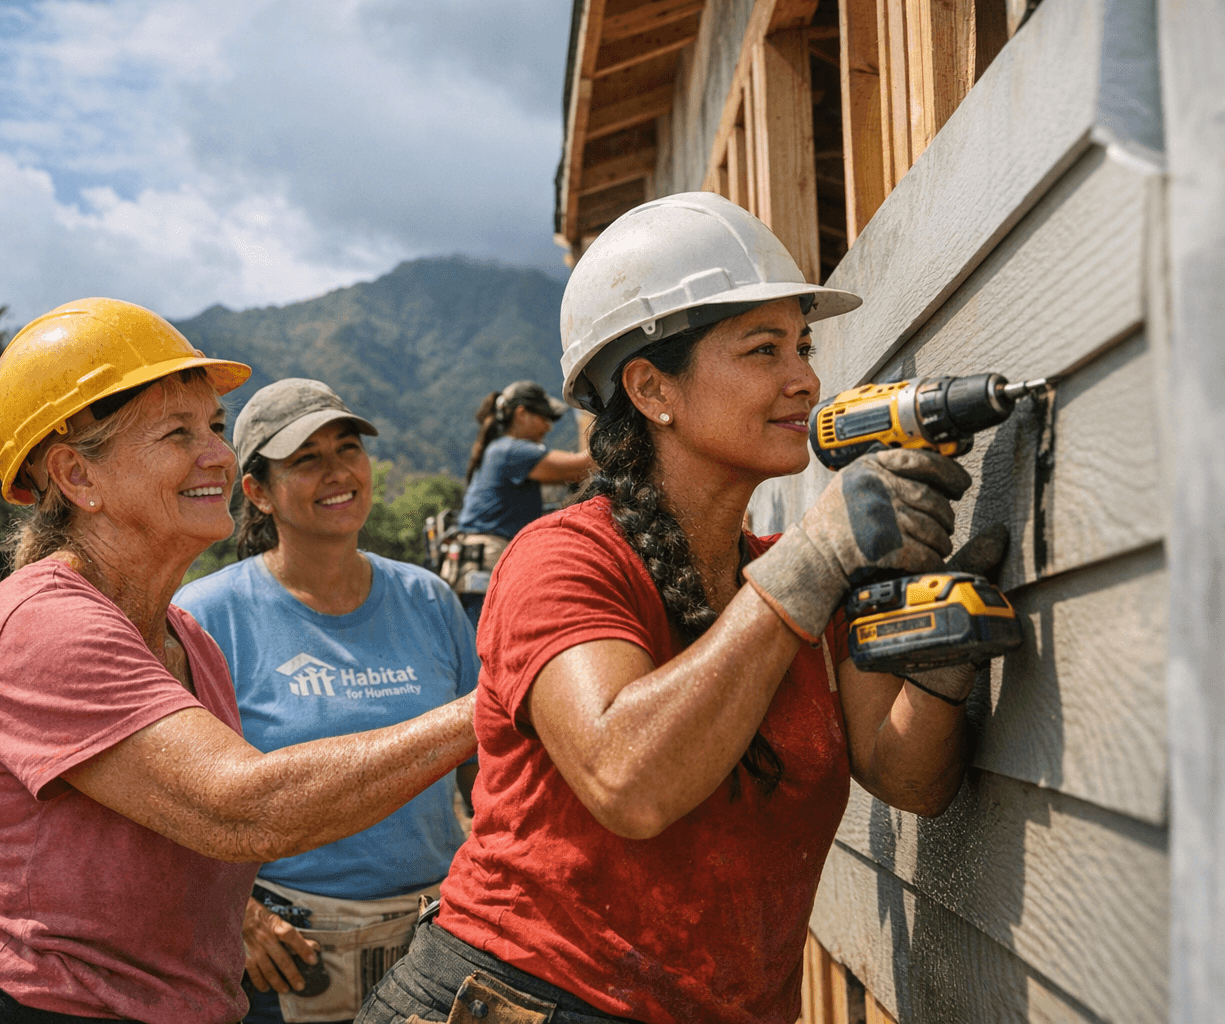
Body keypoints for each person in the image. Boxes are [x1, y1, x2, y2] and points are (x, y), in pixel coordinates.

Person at [358, 193, 1007, 1024]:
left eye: (802, 346)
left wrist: (943, 671)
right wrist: (814, 560)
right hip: (519, 1001)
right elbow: (627, 779)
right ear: (651, 387)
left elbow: (905, 777)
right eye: (762, 349)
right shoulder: (564, 559)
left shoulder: (793, 580)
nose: (804, 377)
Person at [0, 297, 476, 1024]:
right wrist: (498, 701)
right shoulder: (42, 624)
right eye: (176, 433)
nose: (217, 453)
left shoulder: (189, 641)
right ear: (77, 478)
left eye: (214, 426)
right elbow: (246, 809)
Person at [172, 377, 480, 1024]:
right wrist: (244, 917)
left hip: (434, 935)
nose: (338, 472)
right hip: (287, 955)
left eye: (348, 449)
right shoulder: (207, 618)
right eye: (306, 459)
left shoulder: (428, 600)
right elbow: (167, 801)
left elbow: (489, 770)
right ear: (256, 491)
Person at [444, 380, 591, 627]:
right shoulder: (513, 451)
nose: (548, 427)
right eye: (545, 417)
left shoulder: (498, 450)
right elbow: (584, 467)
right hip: (488, 570)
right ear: (522, 414)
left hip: (475, 569)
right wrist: (588, 418)